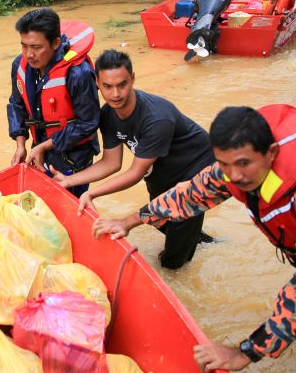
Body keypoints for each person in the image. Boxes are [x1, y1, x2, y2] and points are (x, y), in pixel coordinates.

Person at [93, 105, 296, 373]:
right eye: (224, 165)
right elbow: (191, 193)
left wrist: (245, 352)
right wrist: (129, 220)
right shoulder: (239, 163)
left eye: (242, 164)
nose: (234, 176)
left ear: (272, 153)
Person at [54, 49, 213, 269]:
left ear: (133, 79)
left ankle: (181, 263)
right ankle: (209, 242)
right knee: (162, 222)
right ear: (97, 84)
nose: (115, 94)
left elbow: (135, 173)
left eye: (122, 84)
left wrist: (91, 192)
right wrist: (71, 181)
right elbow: (112, 163)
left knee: (172, 261)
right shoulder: (108, 114)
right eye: (107, 87)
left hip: (195, 168)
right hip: (162, 169)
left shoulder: (156, 118)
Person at [7, 8, 100, 196]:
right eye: (24, 46)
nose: (29, 54)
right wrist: (20, 144)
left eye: (36, 47)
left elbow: (88, 123)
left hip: (74, 157)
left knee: (72, 206)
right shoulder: (20, 65)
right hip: (40, 147)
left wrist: (44, 146)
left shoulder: (78, 73)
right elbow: (17, 104)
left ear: (56, 43)